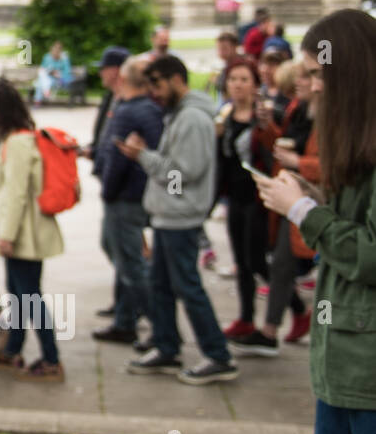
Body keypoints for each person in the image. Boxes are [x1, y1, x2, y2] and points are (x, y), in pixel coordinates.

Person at [255, 9, 376, 434]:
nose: (307, 87)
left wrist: (306, 213)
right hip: (339, 364)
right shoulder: (353, 147)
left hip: (367, 369)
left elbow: (373, 254)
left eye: (314, 74)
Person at [120, 55, 239, 385]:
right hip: (169, 216)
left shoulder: (191, 119)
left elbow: (182, 173)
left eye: (156, 83)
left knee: (188, 287)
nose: (153, 92)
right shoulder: (182, 114)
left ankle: (218, 355)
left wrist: (143, 157)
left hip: (180, 218)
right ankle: (166, 346)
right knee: (161, 286)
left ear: (175, 79)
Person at [0, 79, 65, 381]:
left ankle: (52, 359)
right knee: (20, 294)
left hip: (22, 233)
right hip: (24, 230)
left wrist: (6, 235)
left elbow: (15, 193)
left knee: (29, 296)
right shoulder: (19, 138)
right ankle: (13, 349)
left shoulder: (16, 142)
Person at [234, 59, 313, 355]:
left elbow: (325, 161)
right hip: (282, 193)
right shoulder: (298, 109)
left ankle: (271, 329)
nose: (309, 84)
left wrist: (298, 163)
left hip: (302, 198)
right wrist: (268, 129)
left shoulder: (318, 112)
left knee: (281, 261)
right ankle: (282, 321)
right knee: (271, 260)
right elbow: (282, 145)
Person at [92, 56, 164, 344]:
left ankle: (163, 331)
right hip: (136, 194)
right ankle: (124, 320)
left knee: (131, 264)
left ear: (123, 79)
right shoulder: (148, 107)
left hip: (124, 197)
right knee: (123, 256)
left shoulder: (129, 111)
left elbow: (118, 159)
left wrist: (107, 191)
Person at [215, 57, 272, 341]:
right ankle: (246, 318)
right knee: (241, 261)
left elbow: (271, 157)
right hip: (233, 198)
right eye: (233, 79)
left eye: (244, 79)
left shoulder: (262, 119)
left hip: (258, 200)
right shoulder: (223, 116)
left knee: (256, 261)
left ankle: (296, 306)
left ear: (255, 85)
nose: (237, 85)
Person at [32, 40, 72, 105]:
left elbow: (67, 71)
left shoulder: (64, 58)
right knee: (42, 74)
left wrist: (58, 73)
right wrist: (49, 71)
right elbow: (42, 68)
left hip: (58, 80)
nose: (55, 53)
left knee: (39, 83)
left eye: (57, 51)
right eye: (54, 51)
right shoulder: (47, 57)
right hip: (47, 77)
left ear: (60, 51)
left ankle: (38, 101)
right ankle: (45, 91)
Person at [209, 31, 239, 101]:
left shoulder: (239, 67)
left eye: (224, 48)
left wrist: (217, 81)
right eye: (219, 48)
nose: (221, 52)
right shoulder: (225, 65)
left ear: (234, 47)